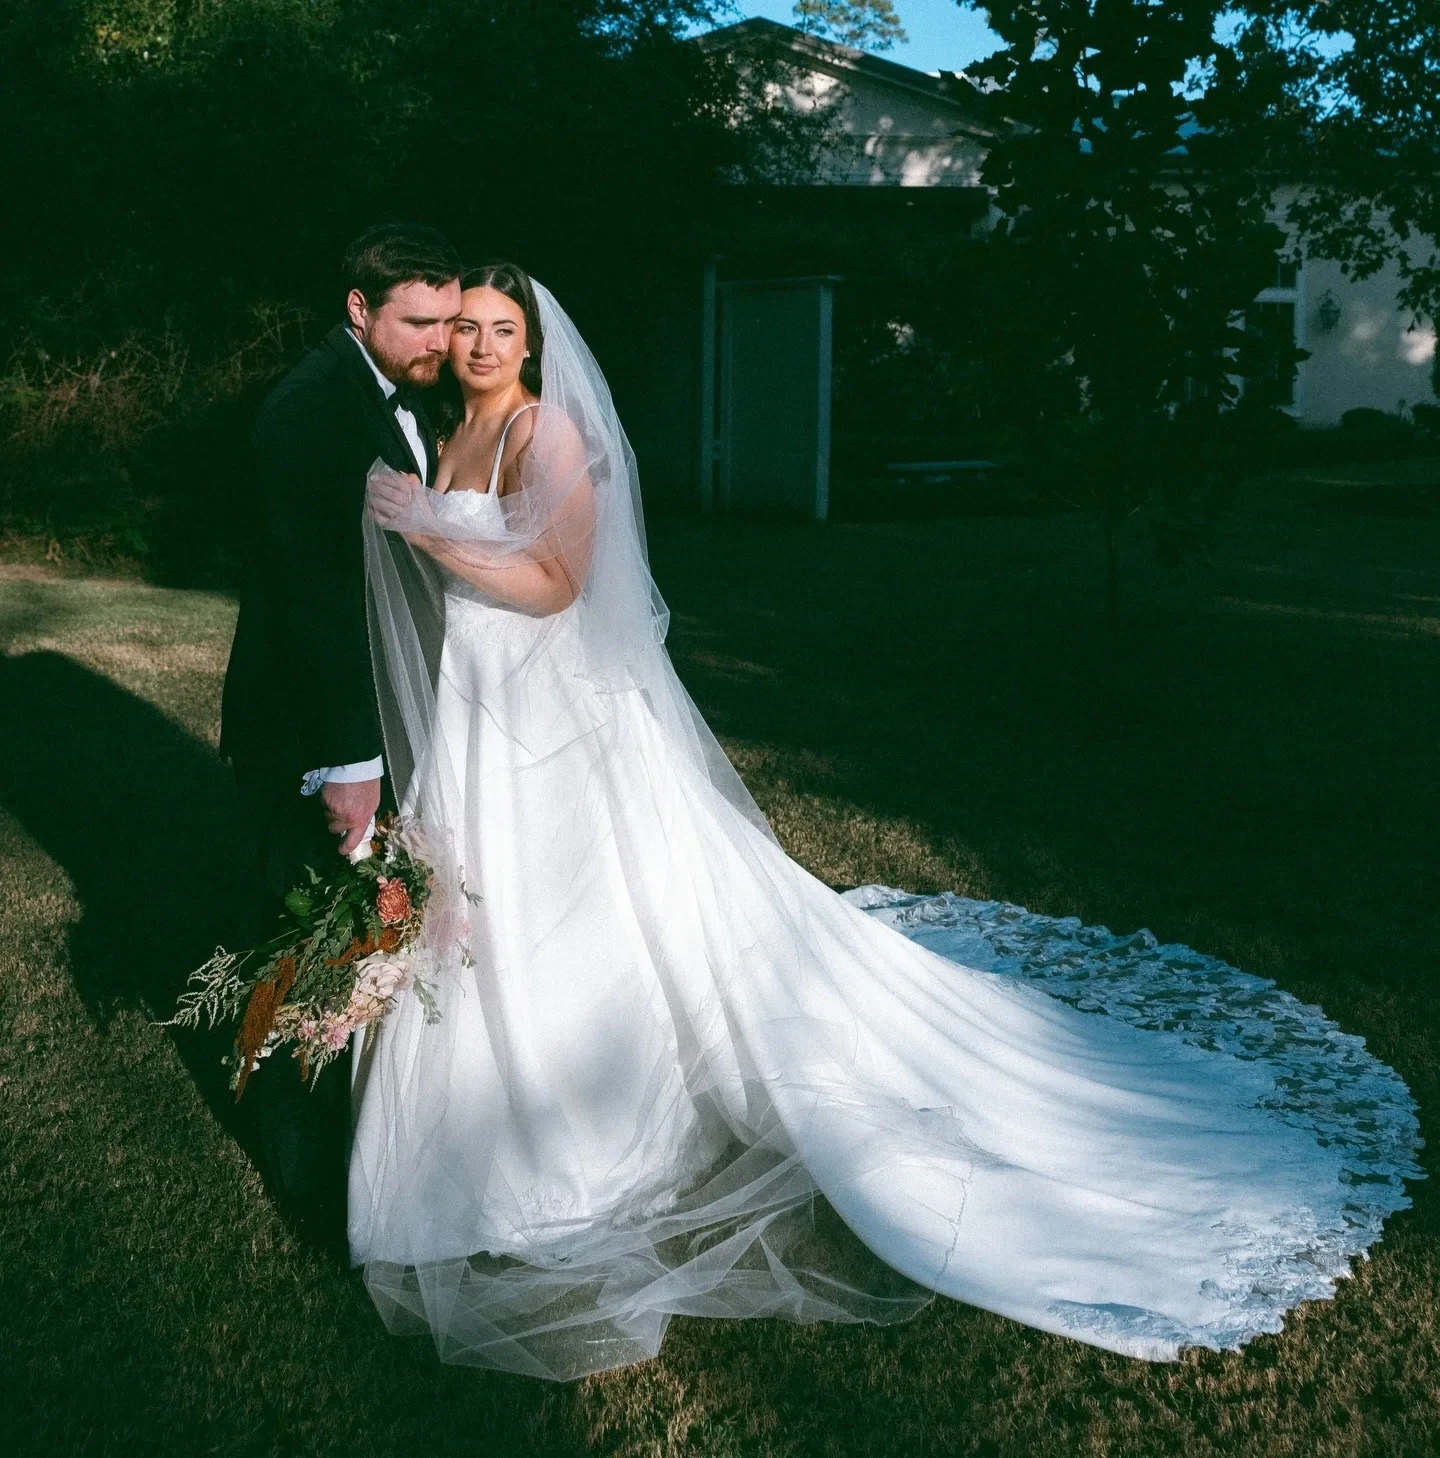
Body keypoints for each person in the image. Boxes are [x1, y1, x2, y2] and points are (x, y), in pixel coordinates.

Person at [353, 264, 1421, 1381]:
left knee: (568, 904)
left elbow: (560, 585)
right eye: (465, 327)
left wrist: (430, 531)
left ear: (532, 342)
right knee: (496, 905)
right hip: (481, 703)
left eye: (502, 327)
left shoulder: (545, 433)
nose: (481, 344)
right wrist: (428, 524)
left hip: (549, 713)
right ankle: (496, 1121)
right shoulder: (450, 431)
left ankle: (585, 1137)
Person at [219, 222, 462, 1231]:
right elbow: (314, 600)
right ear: (359, 309)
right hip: (314, 730)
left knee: (372, 928)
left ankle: (366, 1127)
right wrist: (349, 762)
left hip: (381, 711)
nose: (441, 342)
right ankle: (300, 1168)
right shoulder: (309, 410)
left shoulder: (409, 392)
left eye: (449, 321)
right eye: (420, 322)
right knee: (302, 931)